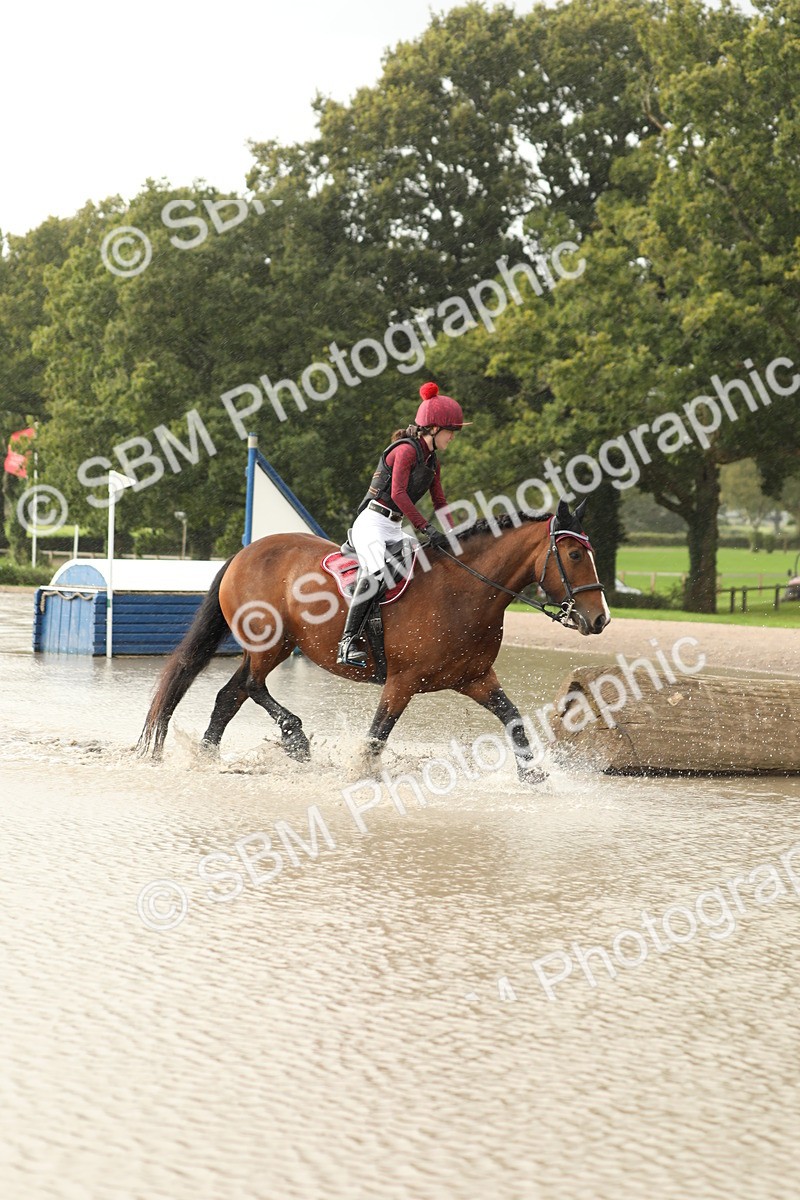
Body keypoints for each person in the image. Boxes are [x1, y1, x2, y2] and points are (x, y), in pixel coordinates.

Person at [336, 381, 469, 668]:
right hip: (372, 522)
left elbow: (440, 500)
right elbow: (397, 493)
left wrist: (453, 533)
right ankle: (347, 641)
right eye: (451, 432)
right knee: (375, 572)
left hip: (394, 527)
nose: (453, 438)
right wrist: (425, 527)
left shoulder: (432, 461)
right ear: (434, 428)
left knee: (424, 566)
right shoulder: (406, 451)